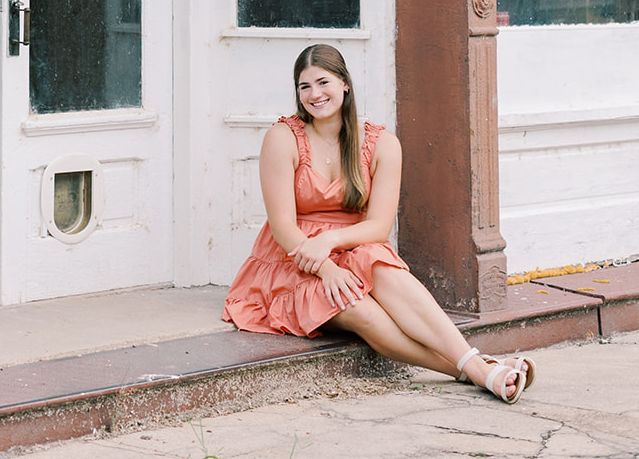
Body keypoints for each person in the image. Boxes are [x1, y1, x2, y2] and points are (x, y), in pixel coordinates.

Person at [222, 43, 534, 404]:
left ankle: (479, 369)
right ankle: (478, 369)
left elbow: (379, 227)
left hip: (354, 248)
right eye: (304, 86)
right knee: (363, 312)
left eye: (323, 82)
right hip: (294, 261)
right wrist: (325, 268)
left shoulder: (381, 143)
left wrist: (330, 242)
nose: (314, 94)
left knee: (385, 269)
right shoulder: (282, 137)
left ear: (345, 84)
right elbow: (283, 229)